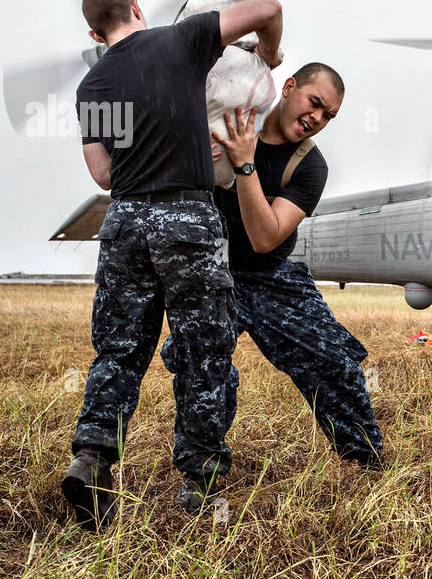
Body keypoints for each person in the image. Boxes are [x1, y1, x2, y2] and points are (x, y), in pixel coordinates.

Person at [64, 0, 283, 529]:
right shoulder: (182, 41)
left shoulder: (93, 84)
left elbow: (103, 174)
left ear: (95, 32)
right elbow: (269, 9)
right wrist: (273, 55)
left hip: (125, 225)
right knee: (202, 352)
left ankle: (91, 457)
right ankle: (198, 485)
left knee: (118, 351)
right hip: (188, 217)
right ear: (137, 7)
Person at [160, 63, 383, 491]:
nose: (318, 118)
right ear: (289, 87)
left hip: (271, 275)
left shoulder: (311, 167)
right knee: (202, 367)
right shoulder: (228, 121)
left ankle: (366, 464)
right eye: (315, 103)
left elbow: (265, 237)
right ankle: (200, 477)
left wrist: (245, 167)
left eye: (329, 115)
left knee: (334, 361)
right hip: (213, 273)